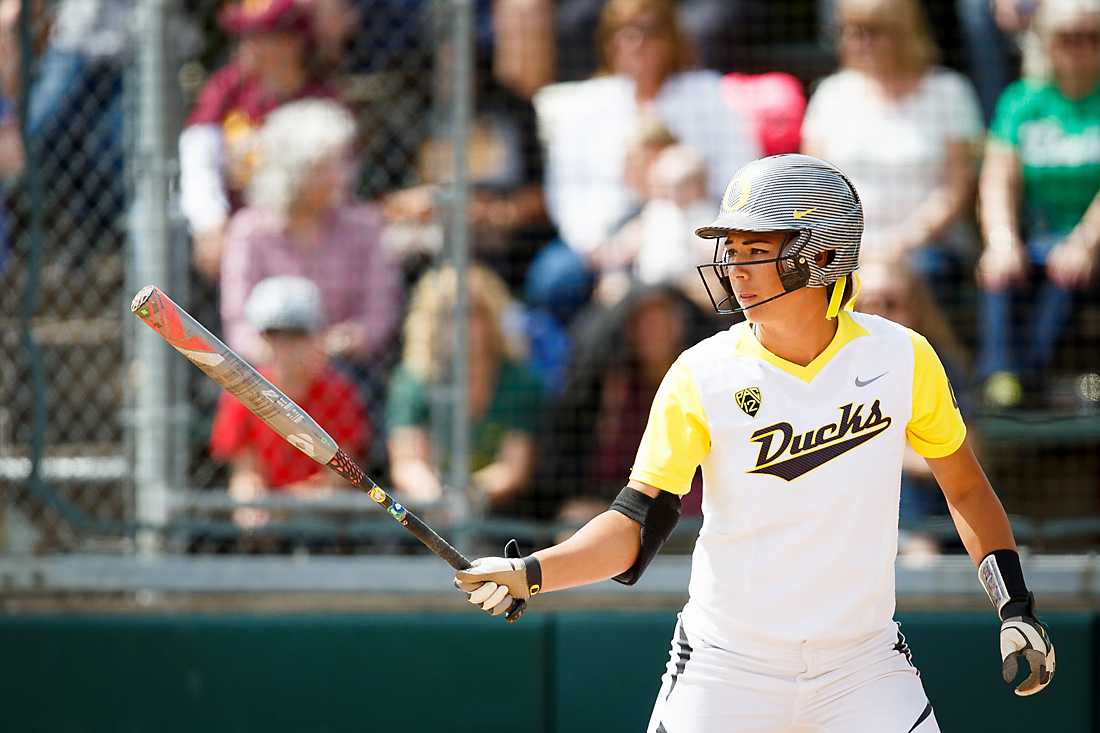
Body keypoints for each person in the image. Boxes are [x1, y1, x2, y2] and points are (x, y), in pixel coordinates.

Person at [453, 155, 1056, 731]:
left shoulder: (902, 356)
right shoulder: (701, 372)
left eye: (757, 249)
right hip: (726, 666)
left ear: (819, 252)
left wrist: (1015, 607)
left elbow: (967, 488)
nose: (733, 266)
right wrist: (529, 572)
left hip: (862, 665)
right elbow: (635, 524)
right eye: (730, 249)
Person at [533, 0, 759, 315]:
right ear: (608, 41)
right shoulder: (583, 106)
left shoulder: (707, 93)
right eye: (624, 33)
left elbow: (741, 179)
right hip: (606, 235)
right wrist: (601, 250)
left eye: (648, 31)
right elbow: (566, 195)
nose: (636, 43)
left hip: (694, 224)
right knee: (555, 280)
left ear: (671, 38)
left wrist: (685, 201)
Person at [802, 0, 984, 306]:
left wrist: (900, 243)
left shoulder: (948, 91)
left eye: (872, 32)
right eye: (850, 32)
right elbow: (814, 187)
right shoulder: (832, 94)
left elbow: (956, 189)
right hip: (847, 245)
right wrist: (852, 245)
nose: (859, 42)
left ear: (904, 34)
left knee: (892, 283)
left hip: (930, 247)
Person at [220, 98, 401, 382]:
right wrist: (285, 352)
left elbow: (380, 313)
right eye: (324, 168)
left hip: (344, 369)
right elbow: (238, 324)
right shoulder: (251, 230)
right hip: (268, 372)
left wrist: (337, 343)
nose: (341, 177)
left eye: (343, 163)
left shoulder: (365, 225)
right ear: (292, 172)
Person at [977, 0, 1100, 408]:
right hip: (1043, 235)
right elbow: (998, 178)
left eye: (1092, 38)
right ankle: (1000, 376)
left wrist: (1085, 242)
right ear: (1046, 42)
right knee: (1000, 271)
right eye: (1068, 38)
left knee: (1068, 273)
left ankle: (1031, 381)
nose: (1080, 49)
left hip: (1089, 240)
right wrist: (1001, 240)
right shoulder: (1022, 100)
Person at [179, 0, 339, 281]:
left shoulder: (321, 98)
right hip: (232, 227)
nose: (246, 45)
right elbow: (198, 152)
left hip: (299, 231)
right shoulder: (230, 86)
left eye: (258, 36)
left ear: (291, 44)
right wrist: (211, 224)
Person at [210, 276, 370, 530]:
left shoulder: (338, 392)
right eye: (273, 334)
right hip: (269, 515)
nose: (284, 347)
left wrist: (283, 503)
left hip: (323, 518)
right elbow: (245, 473)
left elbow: (339, 478)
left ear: (316, 336)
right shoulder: (242, 392)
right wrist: (253, 501)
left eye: (296, 334)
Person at [386, 264, 543, 516]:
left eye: (470, 314)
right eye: (448, 315)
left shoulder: (519, 381)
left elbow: (514, 468)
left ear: (490, 318)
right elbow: (407, 463)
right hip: (429, 515)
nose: (460, 326)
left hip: (496, 514)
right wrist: (437, 498)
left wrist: (469, 495)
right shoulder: (414, 379)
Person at [857, 259, 975, 555]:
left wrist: (878, 447)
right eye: (867, 304)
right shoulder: (834, 368)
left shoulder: (935, 365)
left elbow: (968, 456)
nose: (878, 314)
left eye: (890, 303)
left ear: (914, 307)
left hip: (921, 527)